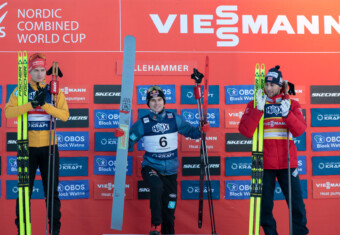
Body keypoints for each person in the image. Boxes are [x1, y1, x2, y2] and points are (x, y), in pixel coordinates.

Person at [113, 85, 210, 235]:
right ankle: (155, 226)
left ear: (164, 102)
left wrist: (200, 130)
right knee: (157, 186)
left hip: (170, 172)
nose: (156, 103)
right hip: (151, 167)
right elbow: (129, 141)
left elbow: (191, 132)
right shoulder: (143, 123)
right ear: (148, 104)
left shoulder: (174, 119)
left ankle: (166, 230)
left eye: (159, 100)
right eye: (153, 101)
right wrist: (122, 136)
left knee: (170, 212)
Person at [238, 66, 309, 235]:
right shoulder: (255, 103)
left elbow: (299, 130)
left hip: (287, 163)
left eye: (272, 85)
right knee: (264, 209)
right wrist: (258, 110)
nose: (269, 88)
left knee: (297, 205)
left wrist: (287, 114)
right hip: (263, 163)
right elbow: (245, 132)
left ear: (280, 86)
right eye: (266, 85)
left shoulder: (291, 104)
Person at [5, 53, 69, 235]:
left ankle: (54, 230)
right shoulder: (21, 90)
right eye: (36, 70)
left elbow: (64, 115)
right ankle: (23, 230)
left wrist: (46, 105)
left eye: (42, 70)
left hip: (49, 147)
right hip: (27, 147)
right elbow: (8, 113)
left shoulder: (54, 91)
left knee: (51, 193)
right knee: (24, 192)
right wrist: (31, 104)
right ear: (30, 72)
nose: (40, 74)